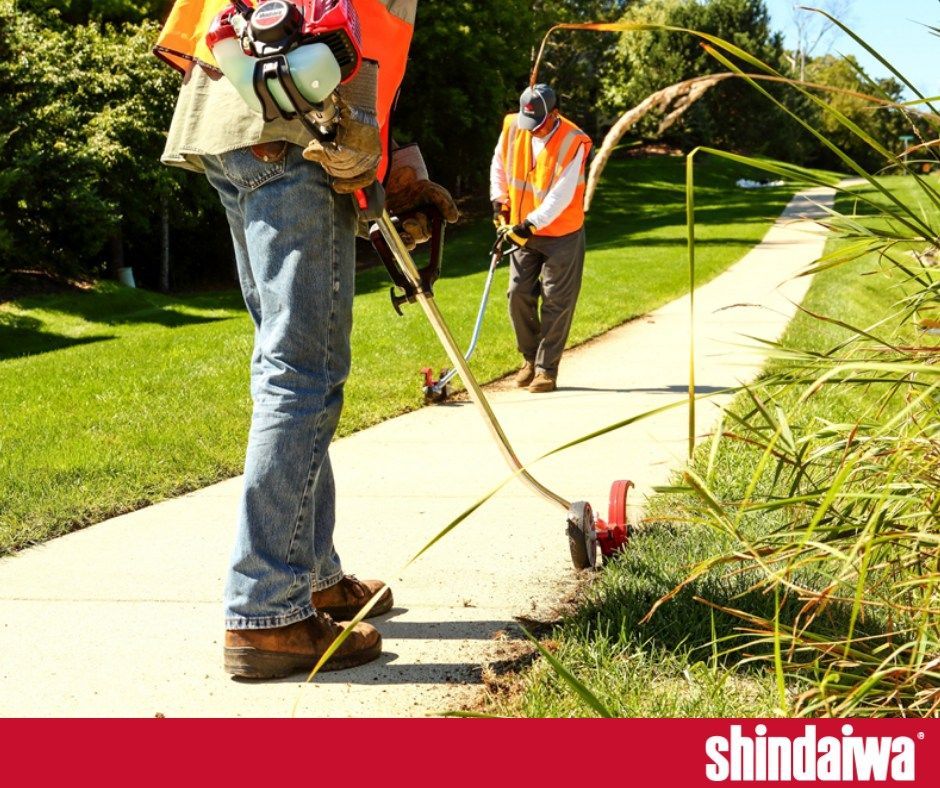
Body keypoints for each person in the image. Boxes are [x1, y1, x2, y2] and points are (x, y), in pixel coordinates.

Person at [154, 0, 458, 679]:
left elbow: (348, 45)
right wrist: (348, 132)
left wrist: (394, 165)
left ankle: (312, 576)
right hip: (291, 132)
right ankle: (267, 611)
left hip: (233, 123)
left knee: (287, 363)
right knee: (302, 373)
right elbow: (313, 39)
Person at [490, 83, 592, 394]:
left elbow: (560, 195)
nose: (532, 130)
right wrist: (499, 200)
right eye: (528, 122)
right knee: (517, 294)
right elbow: (499, 164)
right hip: (523, 229)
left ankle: (547, 370)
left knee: (556, 301)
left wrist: (531, 223)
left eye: (539, 124)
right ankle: (529, 359)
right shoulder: (514, 127)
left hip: (561, 232)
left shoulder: (573, 141)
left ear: (555, 114)